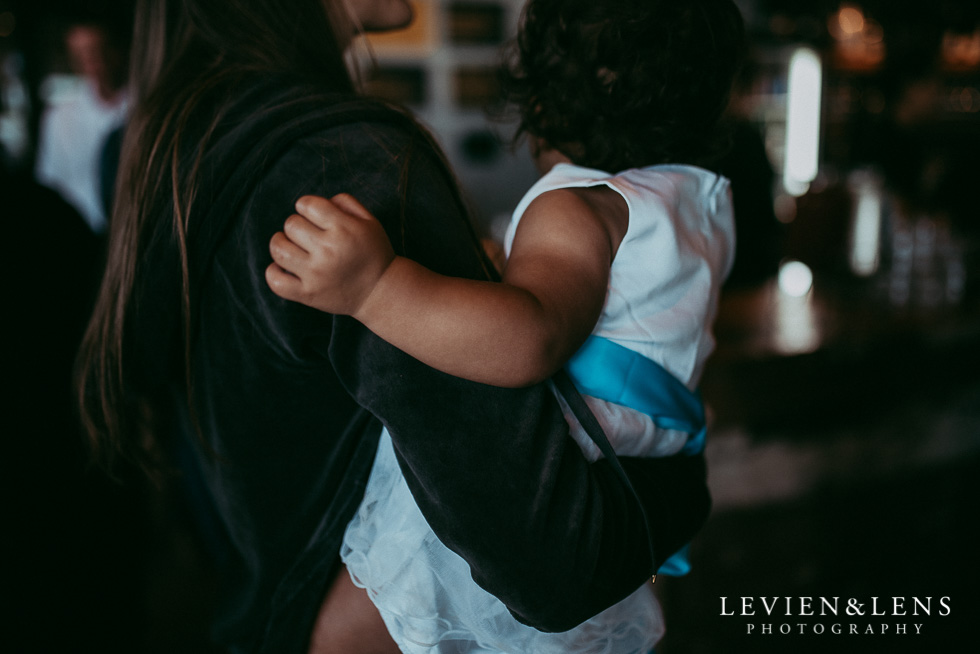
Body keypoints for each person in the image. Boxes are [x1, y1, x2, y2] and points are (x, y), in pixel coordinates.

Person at [76, 1, 713, 653]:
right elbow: (554, 567)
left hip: (273, 617)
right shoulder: (347, 165)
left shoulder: (182, 140)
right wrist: (679, 491)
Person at [266, 1, 745, 651]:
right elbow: (622, 314)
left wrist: (373, 287)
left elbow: (531, 338)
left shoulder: (576, 208)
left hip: (532, 497)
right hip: (620, 495)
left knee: (332, 638)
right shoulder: (701, 205)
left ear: (544, 102)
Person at [34, 13, 129, 234]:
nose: (93, 65)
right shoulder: (57, 118)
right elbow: (49, 187)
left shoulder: (143, 108)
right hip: (77, 239)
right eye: (80, 57)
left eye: (97, 53)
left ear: (116, 49)